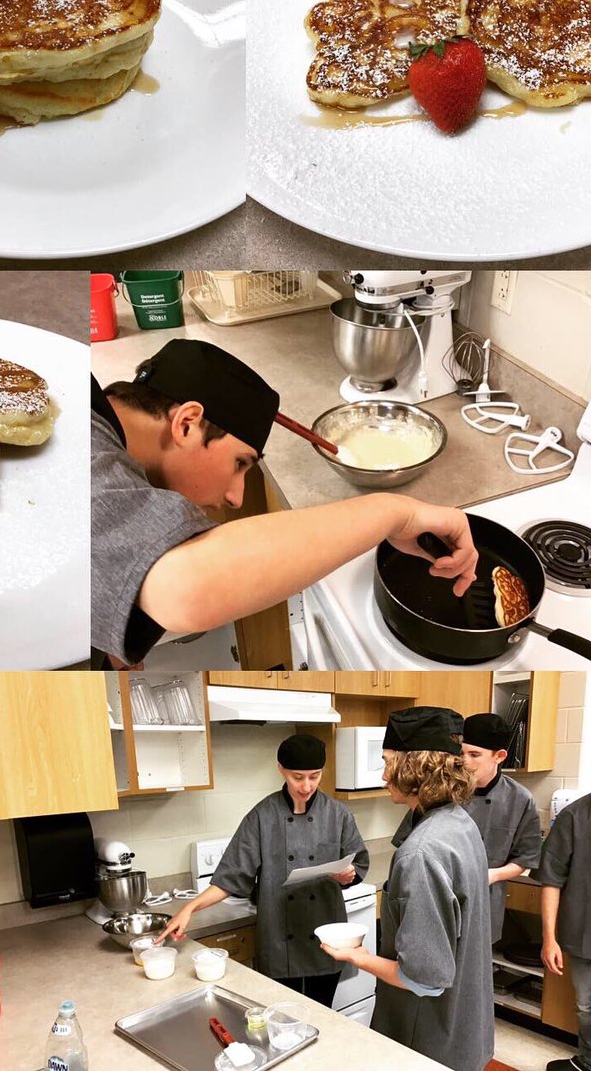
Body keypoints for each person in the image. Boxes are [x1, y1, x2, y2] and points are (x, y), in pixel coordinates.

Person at [90, 340, 479, 666]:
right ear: (187, 423)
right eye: (239, 464)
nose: (235, 497)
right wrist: (396, 512)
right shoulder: (82, 447)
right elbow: (185, 589)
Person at [322, 707, 494, 1071]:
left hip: (427, 1039)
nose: (383, 775)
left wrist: (356, 956)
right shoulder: (459, 822)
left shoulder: (422, 852)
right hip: (464, 1027)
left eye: (387, 762)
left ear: (413, 766)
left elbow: (425, 980)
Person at [158, 734, 368, 1006]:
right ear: (281, 769)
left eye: (314, 776)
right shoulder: (262, 816)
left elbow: (359, 864)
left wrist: (348, 875)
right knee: (280, 1015)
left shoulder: (338, 814)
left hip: (325, 938)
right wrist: (189, 908)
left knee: (323, 1015)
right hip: (280, 941)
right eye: (297, 777)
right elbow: (230, 878)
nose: (306, 786)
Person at [391, 711, 541, 944]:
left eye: (475, 754)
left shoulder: (520, 800)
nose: (465, 762)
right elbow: (408, 843)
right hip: (436, 901)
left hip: (485, 902)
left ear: (499, 756)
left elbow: (525, 858)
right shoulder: (439, 791)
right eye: (460, 753)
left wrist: (489, 876)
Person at [537, 789, 591, 1071]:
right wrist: (549, 939)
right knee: (587, 1006)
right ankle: (587, 1061)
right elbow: (551, 880)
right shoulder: (575, 816)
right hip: (584, 934)